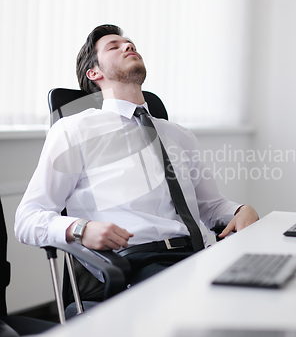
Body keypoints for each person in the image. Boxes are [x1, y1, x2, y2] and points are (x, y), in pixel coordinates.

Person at [15, 24, 258, 307]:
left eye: (129, 42)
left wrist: (240, 210)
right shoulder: (74, 130)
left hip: (202, 254)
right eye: (114, 46)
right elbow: (28, 218)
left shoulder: (179, 135)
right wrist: (80, 229)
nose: (128, 46)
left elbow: (211, 207)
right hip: (140, 264)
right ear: (95, 74)